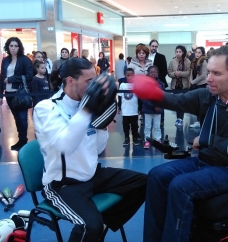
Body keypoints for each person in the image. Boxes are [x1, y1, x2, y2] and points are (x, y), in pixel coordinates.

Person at [130, 45, 228, 242]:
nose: (209, 78)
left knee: (180, 186)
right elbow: (177, 101)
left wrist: (206, 140)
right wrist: (155, 94)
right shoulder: (209, 95)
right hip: (207, 161)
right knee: (157, 176)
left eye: (216, 73)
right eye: (208, 72)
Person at [33, 57, 147, 241]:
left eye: (94, 81)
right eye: (89, 81)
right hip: (63, 185)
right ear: (70, 81)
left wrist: (102, 127)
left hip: (92, 175)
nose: (94, 87)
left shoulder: (85, 105)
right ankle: (93, 227)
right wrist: (87, 111)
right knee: (89, 226)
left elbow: (98, 149)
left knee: (144, 182)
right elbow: (65, 146)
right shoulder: (47, 108)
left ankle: (103, 223)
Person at [0, 37, 33, 150]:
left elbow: (29, 76)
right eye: (11, 46)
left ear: (19, 47)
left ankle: (23, 141)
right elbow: (2, 77)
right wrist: (0, 95)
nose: (13, 48)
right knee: (17, 117)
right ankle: (21, 139)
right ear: (8, 47)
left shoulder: (25, 60)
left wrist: (12, 79)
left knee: (22, 117)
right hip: (8, 93)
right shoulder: (5, 60)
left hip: (20, 93)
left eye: (15, 46)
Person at [117, 68, 143, 146]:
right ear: (125, 75)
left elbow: (139, 98)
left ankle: (135, 138)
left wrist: (139, 108)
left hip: (134, 110)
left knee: (134, 125)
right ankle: (126, 138)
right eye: (128, 75)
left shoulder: (136, 85)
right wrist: (119, 107)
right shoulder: (122, 85)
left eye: (132, 75)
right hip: (125, 110)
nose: (130, 77)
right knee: (125, 126)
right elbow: (120, 97)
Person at [142, 66, 165, 149]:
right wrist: (153, 106)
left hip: (158, 109)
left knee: (157, 126)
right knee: (147, 126)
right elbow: (144, 97)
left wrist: (159, 106)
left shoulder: (161, 84)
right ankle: (147, 140)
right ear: (148, 73)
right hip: (148, 109)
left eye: (155, 72)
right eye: (151, 72)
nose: (153, 73)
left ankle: (157, 140)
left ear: (158, 73)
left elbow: (162, 96)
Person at [167, 45, 191, 126]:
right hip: (175, 85)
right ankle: (178, 118)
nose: (178, 53)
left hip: (184, 86)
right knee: (177, 103)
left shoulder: (187, 61)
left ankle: (181, 119)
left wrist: (180, 73)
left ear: (183, 52)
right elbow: (169, 72)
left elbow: (188, 72)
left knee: (183, 102)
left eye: (180, 52)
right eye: (177, 52)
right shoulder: (172, 61)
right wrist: (174, 74)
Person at [189, 46, 208, 128]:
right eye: (196, 52)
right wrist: (190, 80)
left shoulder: (204, 62)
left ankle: (202, 121)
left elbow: (203, 75)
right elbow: (191, 72)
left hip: (202, 85)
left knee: (202, 105)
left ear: (202, 53)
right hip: (195, 85)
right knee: (196, 104)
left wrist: (193, 81)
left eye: (199, 52)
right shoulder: (194, 61)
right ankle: (198, 121)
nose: (197, 54)